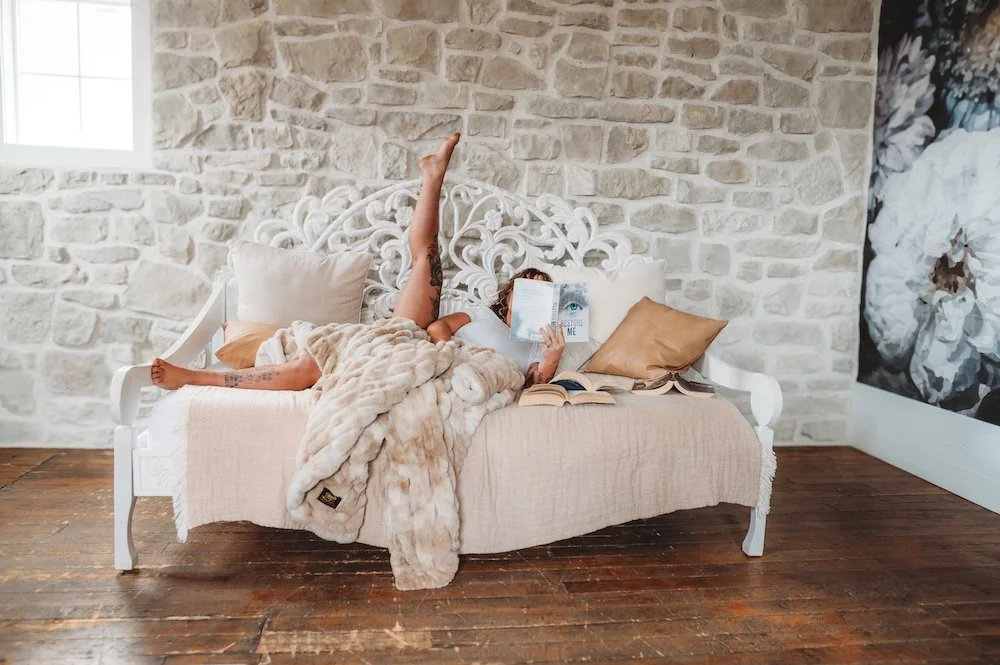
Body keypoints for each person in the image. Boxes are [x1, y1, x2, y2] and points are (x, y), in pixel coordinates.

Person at [150, 133, 566, 393]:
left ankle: (195, 377)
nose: (528, 296)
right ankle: (433, 175)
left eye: (540, 291)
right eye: (523, 288)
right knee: (428, 260)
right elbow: (439, 327)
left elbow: (529, 386)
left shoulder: (535, 345)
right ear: (508, 297)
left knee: (310, 370)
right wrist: (446, 349)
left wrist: (551, 358)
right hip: (413, 342)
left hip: (421, 366)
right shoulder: (479, 314)